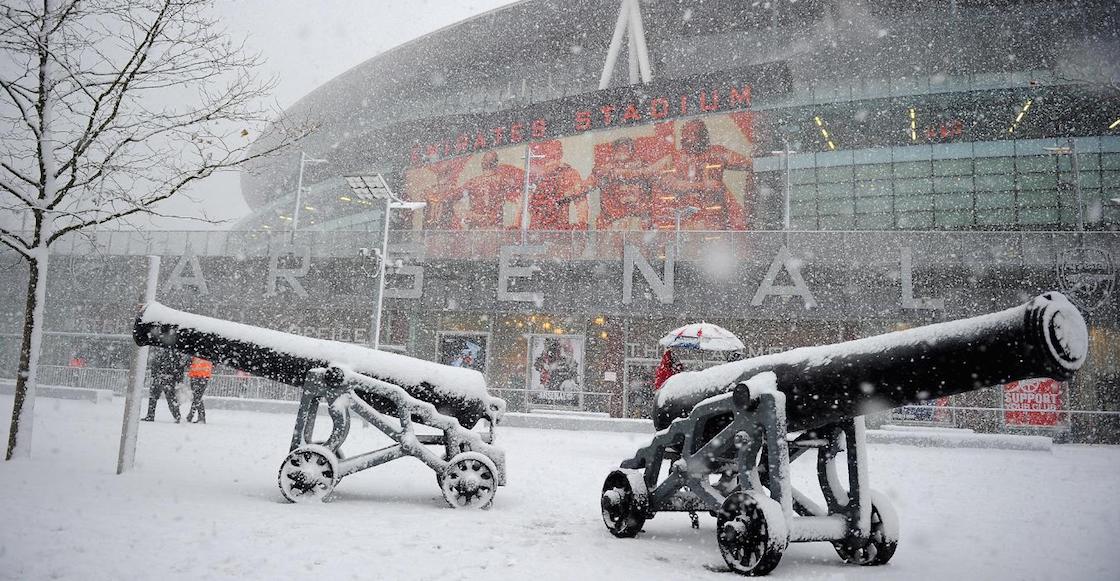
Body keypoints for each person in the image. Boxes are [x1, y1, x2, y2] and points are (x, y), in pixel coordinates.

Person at [660, 119, 754, 230]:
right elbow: (668, 183)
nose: (687, 137)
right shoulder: (675, 158)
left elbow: (751, 165)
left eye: (693, 133)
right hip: (686, 220)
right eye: (685, 133)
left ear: (702, 136)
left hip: (714, 219)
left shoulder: (717, 153)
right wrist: (703, 186)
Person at [141, 348, 189, 423]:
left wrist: (154, 375)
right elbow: (179, 367)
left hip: (160, 377)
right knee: (171, 398)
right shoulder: (174, 353)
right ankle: (177, 416)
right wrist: (179, 379)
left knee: (154, 397)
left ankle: (150, 415)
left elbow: (155, 364)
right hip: (169, 378)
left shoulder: (160, 352)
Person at [185, 357, 213, 424]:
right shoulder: (211, 353)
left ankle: (199, 417)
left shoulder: (195, 352)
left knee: (197, 397)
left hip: (195, 376)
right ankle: (192, 416)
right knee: (197, 397)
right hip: (205, 376)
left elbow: (188, 363)